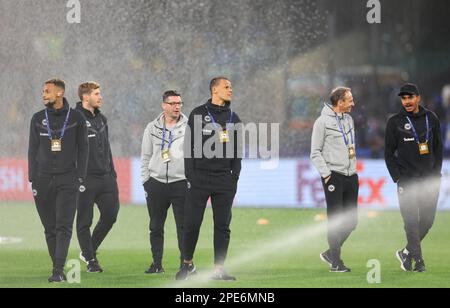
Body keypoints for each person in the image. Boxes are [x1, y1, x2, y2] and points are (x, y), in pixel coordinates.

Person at [175, 77, 242, 281]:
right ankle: (187, 264)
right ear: (215, 89)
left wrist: (234, 177)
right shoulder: (198, 113)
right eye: (226, 87)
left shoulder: (233, 117)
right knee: (192, 224)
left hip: (224, 180)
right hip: (199, 179)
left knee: (222, 226)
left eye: (231, 87)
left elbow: (237, 151)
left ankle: (218, 269)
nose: (230, 90)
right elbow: (188, 148)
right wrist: (191, 176)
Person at [28, 79, 89, 282]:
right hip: (42, 180)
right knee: (50, 228)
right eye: (43, 91)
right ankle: (58, 267)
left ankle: (58, 270)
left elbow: (83, 149)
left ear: (60, 93)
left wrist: (80, 175)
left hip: (67, 179)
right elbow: (32, 150)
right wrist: (32, 177)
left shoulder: (77, 118)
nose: (43, 94)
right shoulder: (37, 118)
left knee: (63, 226)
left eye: (47, 91)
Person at [385, 83, 443, 273]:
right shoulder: (394, 122)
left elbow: (438, 150)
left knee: (426, 222)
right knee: (410, 222)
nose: (407, 101)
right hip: (407, 181)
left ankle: (406, 252)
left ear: (418, 98)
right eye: (403, 98)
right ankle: (418, 261)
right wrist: (398, 178)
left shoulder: (431, 118)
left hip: (429, 181)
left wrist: (436, 175)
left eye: (410, 97)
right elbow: (388, 154)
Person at [310, 87, 358, 273]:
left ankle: (331, 253)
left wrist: (353, 170)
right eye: (350, 100)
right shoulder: (321, 122)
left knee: (352, 221)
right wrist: (326, 174)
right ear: (340, 102)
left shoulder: (349, 119)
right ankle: (336, 262)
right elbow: (315, 152)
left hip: (351, 176)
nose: (353, 103)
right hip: (334, 176)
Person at [141, 90, 189, 274]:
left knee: (183, 227)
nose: (176, 107)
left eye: (179, 103)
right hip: (156, 183)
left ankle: (184, 264)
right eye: (172, 103)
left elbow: (195, 156)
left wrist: (190, 179)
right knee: (155, 226)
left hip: (180, 182)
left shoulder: (189, 127)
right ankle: (156, 264)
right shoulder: (151, 128)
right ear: (164, 105)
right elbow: (145, 156)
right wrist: (146, 181)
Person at [75, 82, 119, 273]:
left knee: (110, 215)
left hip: (106, 177)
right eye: (96, 93)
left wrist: (112, 172)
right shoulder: (74, 120)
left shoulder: (102, 119)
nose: (100, 97)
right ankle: (91, 260)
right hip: (85, 179)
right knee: (84, 221)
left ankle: (87, 250)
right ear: (85, 97)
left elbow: (107, 148)